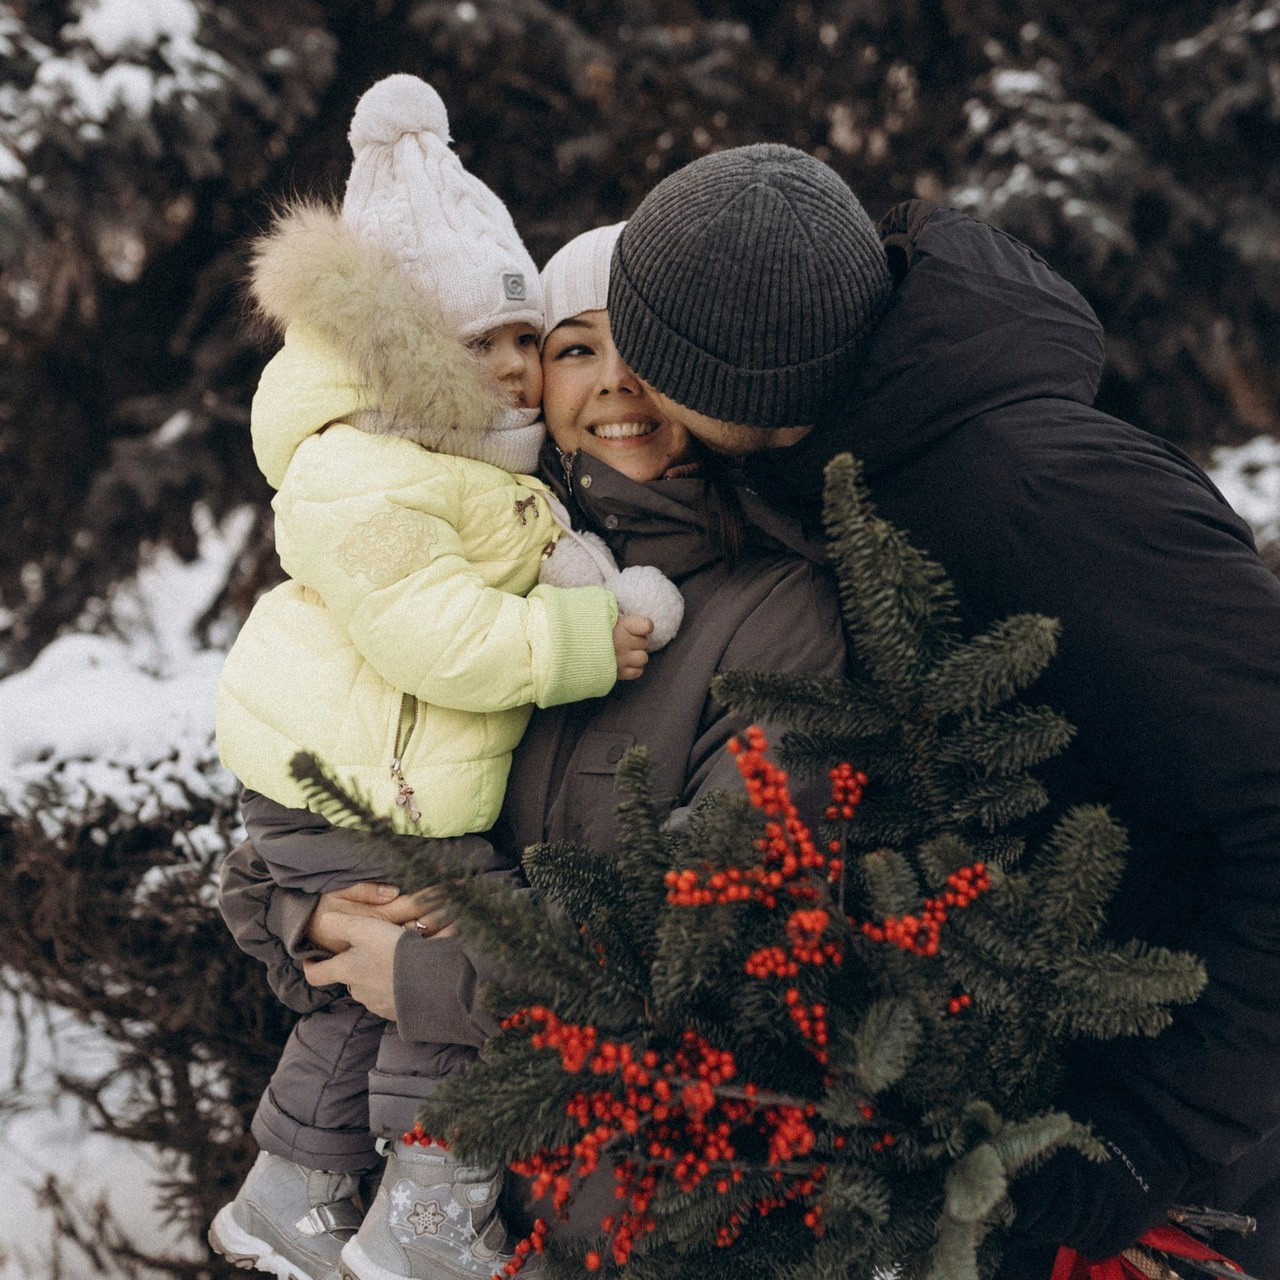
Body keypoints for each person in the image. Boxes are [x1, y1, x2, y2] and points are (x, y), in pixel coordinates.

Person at [601, 144, 1280, 1276]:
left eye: (642, 356)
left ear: (730, 390)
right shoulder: (828, 478)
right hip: (981, 1149)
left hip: (1158, 1182)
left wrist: (1146, 1134)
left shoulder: (1042, 495)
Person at [215, 218, 849, 1274]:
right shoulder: (476, 588)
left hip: (643, 1223)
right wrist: (312, 910)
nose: (615, 384)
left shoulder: (777, 611)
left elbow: (723, 919)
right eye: (573, 347)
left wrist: (431, 973)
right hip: (447, 1231)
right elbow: (282, 843)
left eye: (649, 348)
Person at [209, 78, 683, 1280]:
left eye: (530, 342)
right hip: (365, 794)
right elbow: (434, 633)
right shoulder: (369, 474)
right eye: (492, 344)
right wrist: (581, 638)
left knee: (355, 1000)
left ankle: (294, 1186)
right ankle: (427, 1205)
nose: (525, 373)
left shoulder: (467, 473)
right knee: (447, 966)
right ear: (405, 354)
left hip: (360, 786)